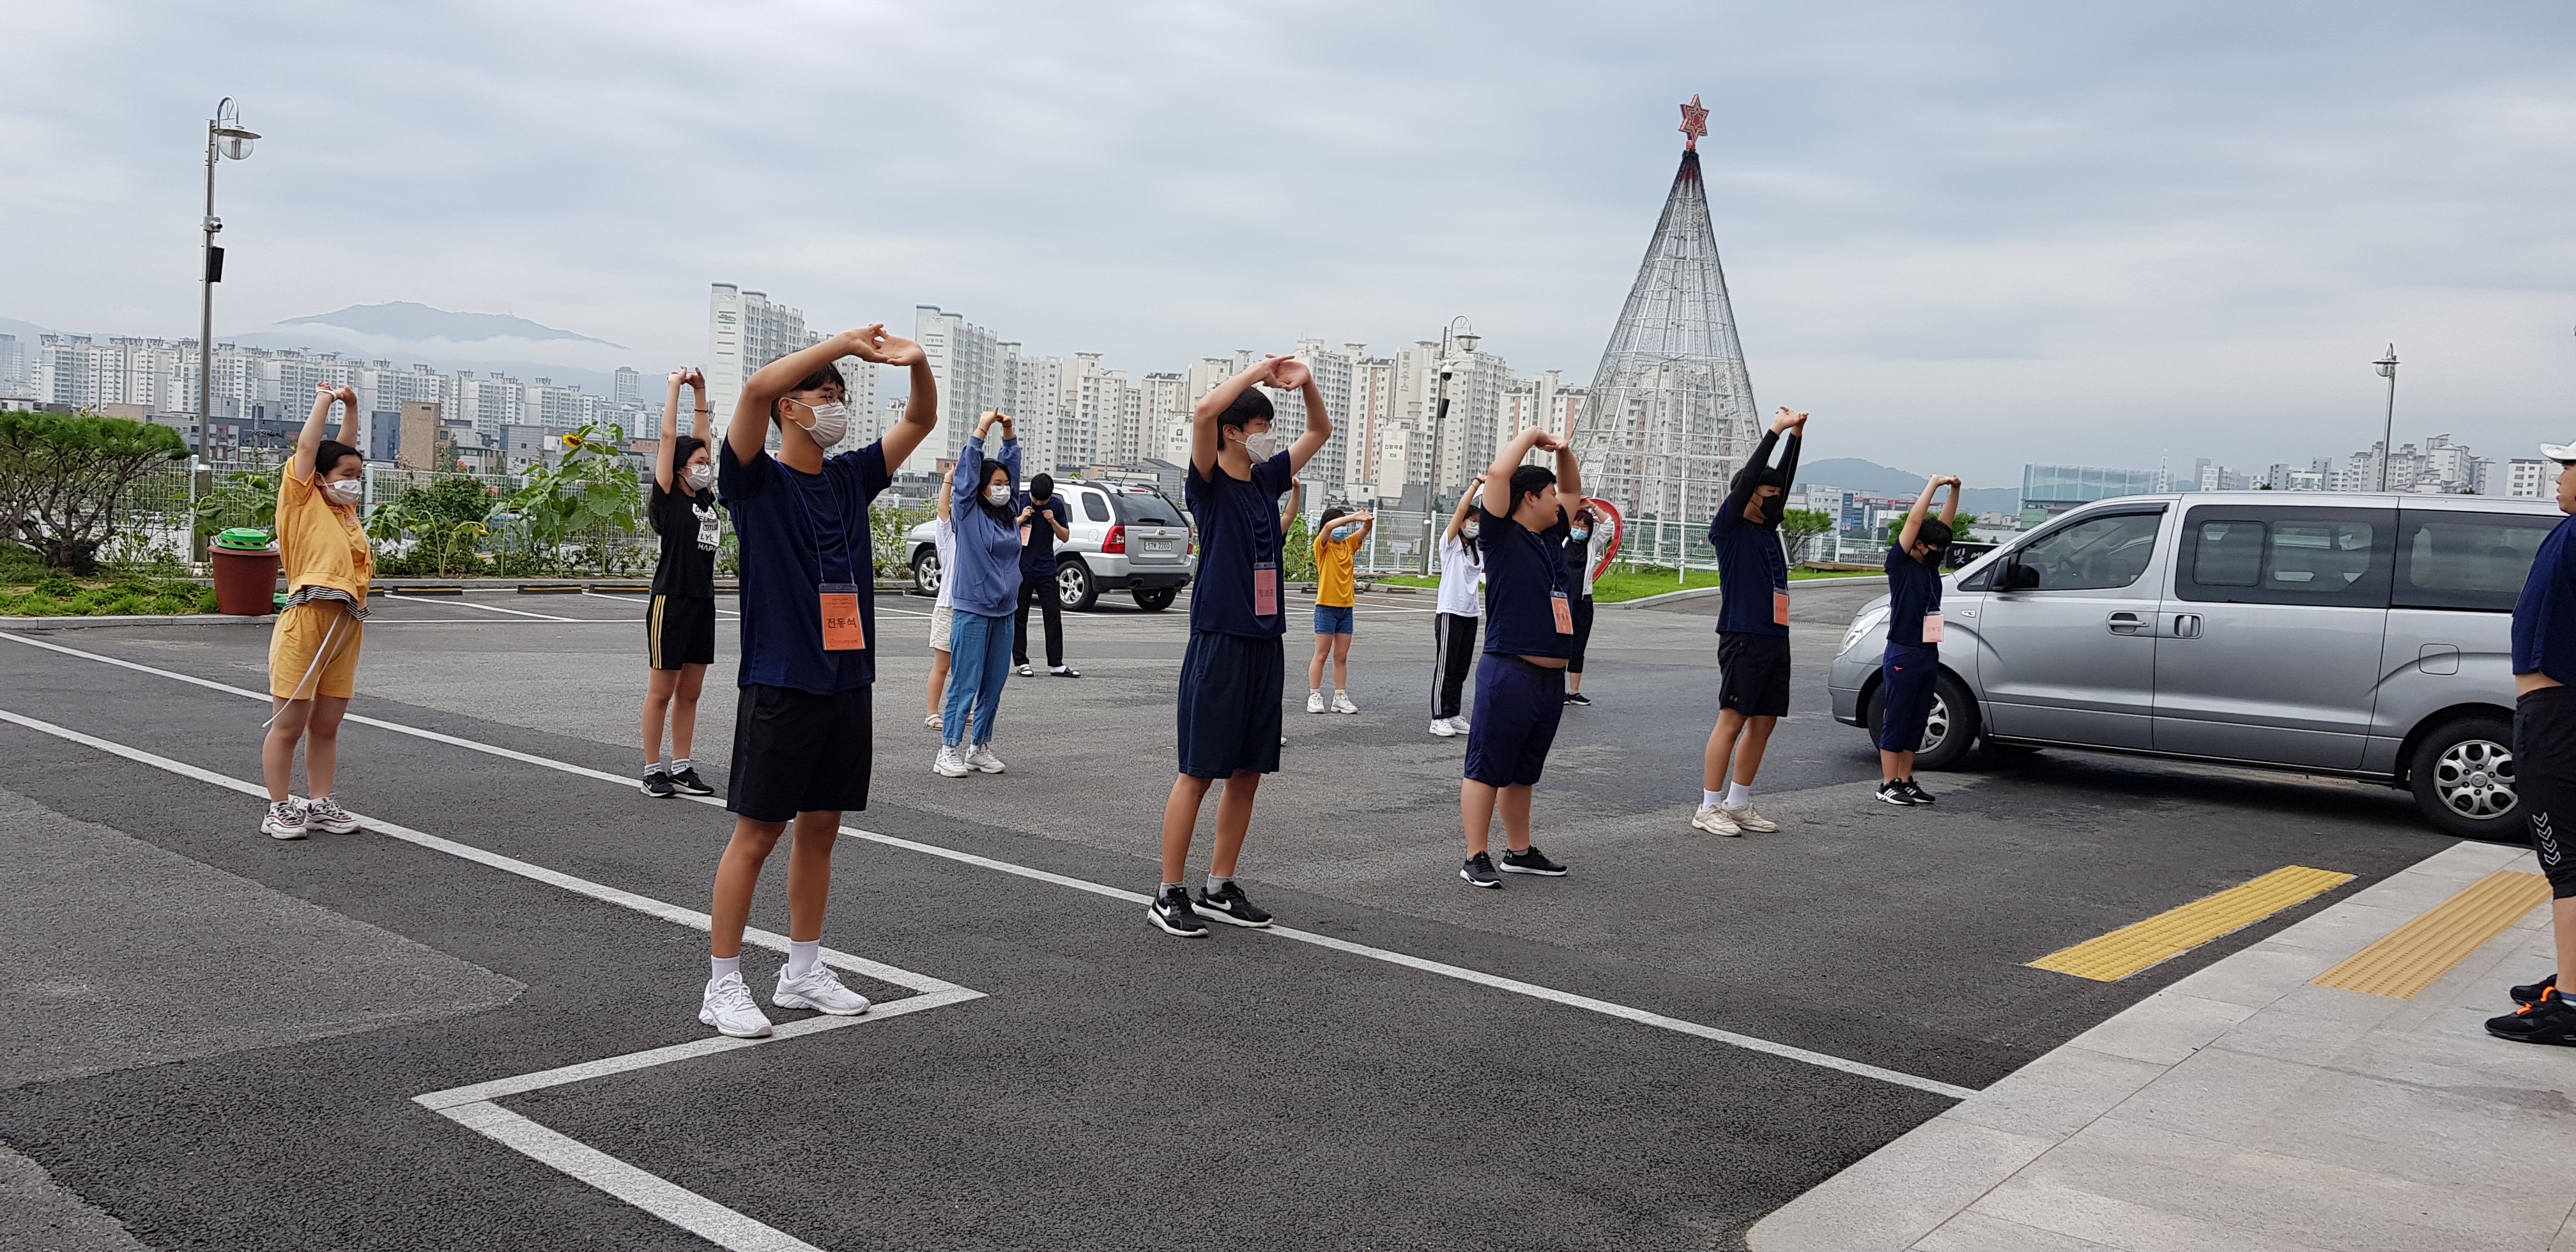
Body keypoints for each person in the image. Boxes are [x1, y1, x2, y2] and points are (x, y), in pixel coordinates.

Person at [699, 324, 935, 1040]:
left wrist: (918, 363)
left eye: (839, 396)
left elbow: (921, 420)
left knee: (822, 829)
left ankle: (802, 970)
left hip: (846, 678)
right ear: (789, 408)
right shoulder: (754, 479)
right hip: (782, 679)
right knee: (758, 834)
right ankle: (723, 984)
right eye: (822, 395)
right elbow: (752, 390)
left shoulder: (850, 477)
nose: (835, 406)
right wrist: (841, 344)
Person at [1149, 355, 1331, 936]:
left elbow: (1320, 430)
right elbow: (1205, 409)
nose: (1269, 437)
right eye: (1260, 427)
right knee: (1199, 772)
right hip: (1220, 639)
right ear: (1233, 432)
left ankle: (1219, 886)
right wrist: (1258, 371)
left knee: (1248, 772)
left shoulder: (1268, 479)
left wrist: (1308, 384)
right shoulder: (1207, 483)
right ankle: (1168, 893)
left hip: (1265, 641)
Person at [1456, 427, 1583, 889]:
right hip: (1510, 669)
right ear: (1529, 498)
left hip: (1550, 678)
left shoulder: (1550, 539)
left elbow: (1573, 491)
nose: (1559, 504)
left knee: (1523, 771)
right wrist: (1532, 435)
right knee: (1486, 767)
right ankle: (1475, 855)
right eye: (1549, 496)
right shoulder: (1502, 534)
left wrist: (1564, 452)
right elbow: (1498, 474)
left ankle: (1520, 850)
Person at [2488, 441, 2576, 1046]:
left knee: (2565, 858)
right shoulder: (2567, 532)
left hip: (2558, 716)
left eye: (2568, 467)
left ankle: (2570, 1003)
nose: (2559, 477)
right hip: (2556, 710)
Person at [259, 384, 372, 840]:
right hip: (307, 619)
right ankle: (278, 807)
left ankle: (319, 802)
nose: (354, 481)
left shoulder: (346, 511)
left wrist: (353, 406)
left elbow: (341, 451)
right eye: (346, 474)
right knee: (289, 723)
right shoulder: (301, 501)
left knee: (327, 724)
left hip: (347, 625)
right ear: (319, 478)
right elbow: (311, 449)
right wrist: (324, 399)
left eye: (359, 475)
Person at [1693, 407, 1807, 837]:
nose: (1777, 497)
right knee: (1734, 718)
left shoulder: (1766, 529)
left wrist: (1797, 437)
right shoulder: (1730, 528)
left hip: (1775, 636)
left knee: (1765, 721)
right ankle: (1708, 807)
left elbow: (1784, 478)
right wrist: (1775, 432)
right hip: (1743, 635)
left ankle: (1738, 803)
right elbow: (1750, 481)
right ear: (1749, 494)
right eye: (1768, 491)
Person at [641, 367, 720, 799]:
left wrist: (701, 392)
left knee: (691, 691)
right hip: (670, 600)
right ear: (679, 468)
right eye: (698, 464)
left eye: (707, 463)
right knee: (662, 690)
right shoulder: (670, 494)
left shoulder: (705, 498)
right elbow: (670, 438)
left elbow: (700, 439)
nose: (705, 468)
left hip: (702, 601)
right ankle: (653, 769)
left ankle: (682, 765)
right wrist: (675, 388)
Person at [937, 410, 1024, 778]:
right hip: (972, 610)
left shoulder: (1009, 513)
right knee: (966, 682)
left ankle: (979, 747)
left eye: (1006, 483)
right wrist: (982, 430)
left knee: (993, 683)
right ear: (982, 487)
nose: (1003, 488)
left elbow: (1013, 469)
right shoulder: (968, 512)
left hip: (1005, 611)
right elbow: (967, 475)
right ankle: (948, 749)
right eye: (996, 483)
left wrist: (1009, 433)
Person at [1876, 477, 1959, 805]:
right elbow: (1914, 522)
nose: (1939, 553)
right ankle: (1887, 783)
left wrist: (1955, 491)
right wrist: (1934, 485)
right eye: (1934, 548)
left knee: (1917, 719)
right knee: (1897, 717)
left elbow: (1944, 527)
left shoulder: (1930, 566)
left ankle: (1906, 779)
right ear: (1920, 544)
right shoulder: (1900, 564)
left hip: (1928, 651)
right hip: (1903, 650)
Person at [1305, 503, 1374, 714]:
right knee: (1321, 654)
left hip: (1346, 608)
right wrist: (1354, 516)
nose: (1342, 529)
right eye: (1339, 524)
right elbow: (1328, 528)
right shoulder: (1322, 545)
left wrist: (1367, 519)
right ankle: (1314, 696)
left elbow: (1365, 530)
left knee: (1341, 656)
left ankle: (1340, 697)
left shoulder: (1348, 544)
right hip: (1326, 607)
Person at [1430, 480, 1483, 738]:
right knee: (1446, 667)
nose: (1475, 525)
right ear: (1462, 523)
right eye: (1472, 521)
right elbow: (1461, 510)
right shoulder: (1449, 544)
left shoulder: (1477, 549)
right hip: (1450, 612)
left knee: (1461, 668)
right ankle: (1438, 717)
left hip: (1470, 613)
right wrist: (1475, 486)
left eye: (1478, 522)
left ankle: (1453, 713)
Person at [1012, 471, 1078, 678]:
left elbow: (1065, 537)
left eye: (1043, 501)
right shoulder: (1020, 501)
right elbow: (1005, 530)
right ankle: (1021, 662)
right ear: (1030, 493)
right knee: (1019, 616)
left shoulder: (1056, 505)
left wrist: (1053, 521)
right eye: (1036, 500)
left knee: (1053, 616)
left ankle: (1056, 664)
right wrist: (1022, 518)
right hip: (1022, 568)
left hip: (1047, 568)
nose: (1039, 504)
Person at [1562, 500, 1611, 707]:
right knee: (1559, 644)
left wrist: (1591, 505)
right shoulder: (1560, 542)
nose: (1580, 530)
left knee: (1578, 645)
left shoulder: (1592, 545)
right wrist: (1573, 505)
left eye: (1584, 527)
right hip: (1562, 600)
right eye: (1576, 525)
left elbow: (1608, 525)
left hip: (1583, 600)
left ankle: (1574, 692)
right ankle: (1557, 690)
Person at [924, 464, 959, 731]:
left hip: (971, 609)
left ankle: (961, 710)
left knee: (966, 667)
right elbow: (943, 510)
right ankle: (932, 713)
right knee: (943, 665)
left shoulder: (977, 535)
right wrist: (948, 480)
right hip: (948, 608)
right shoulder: (948, 536)